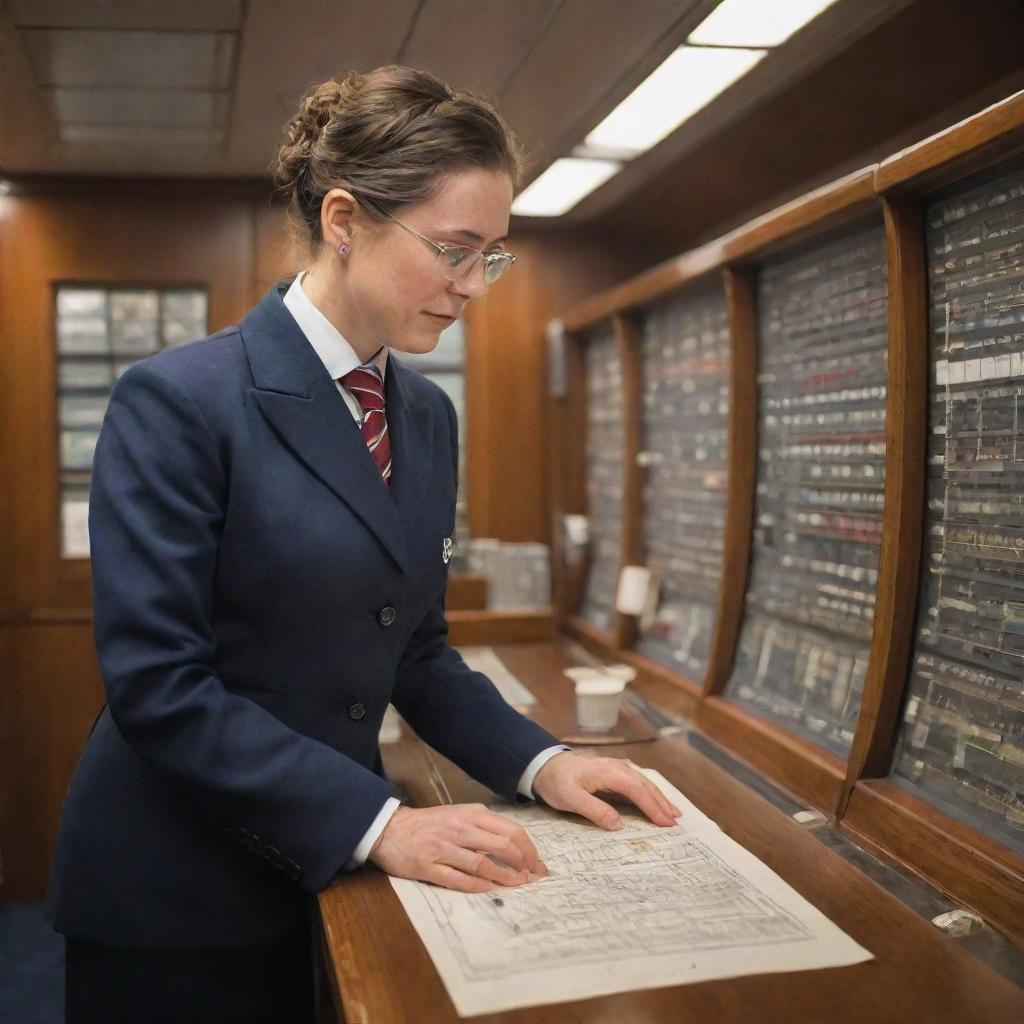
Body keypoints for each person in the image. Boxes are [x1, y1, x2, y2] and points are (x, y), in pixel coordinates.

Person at [46, 65, 680, 1023]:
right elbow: (158, 684)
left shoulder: (424, 417)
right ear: (344, 220)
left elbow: (415, 648)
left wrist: (542, 763)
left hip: (332, 875)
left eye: (493, 257)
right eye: (454, 251)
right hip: (178, 895)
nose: (475, 287)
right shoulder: (180, 402)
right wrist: (377, 822)